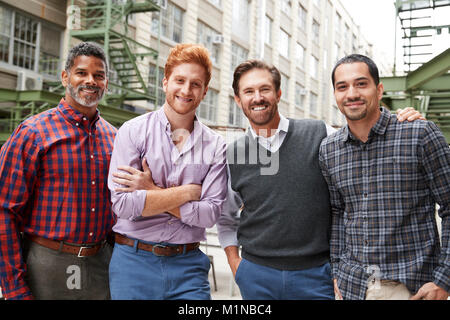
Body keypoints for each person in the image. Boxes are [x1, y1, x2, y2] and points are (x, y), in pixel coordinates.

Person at [216, 59, 425, 300]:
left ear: (278, 93)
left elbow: (363, 142)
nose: (257, 97)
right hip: (256, 275)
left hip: (316, 275)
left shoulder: (319, 133)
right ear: (238, 99)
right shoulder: (234, 154)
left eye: (265, 89)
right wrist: (236, 264)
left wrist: (400, 122)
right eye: (248, 91)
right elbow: (226, 217)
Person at [319, 54, 449, 300]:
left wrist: (444, 279)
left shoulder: (419, 134)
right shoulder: (329, 149)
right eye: (342, 87)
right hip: (353, 286)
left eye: (361, 84)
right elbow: (338, 212)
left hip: (411, 287)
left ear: (379, 90)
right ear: (335, 94)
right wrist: (336, 269)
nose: (352, 94)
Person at [107, 43, 228, 300]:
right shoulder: (132, 131)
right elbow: (124, 205)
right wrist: (188, 192)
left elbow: (209, 215)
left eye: (195, 84)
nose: (186, 90)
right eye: (179, 80)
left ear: (205, 91)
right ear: (165, 83)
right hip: (133, 264)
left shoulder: (216, 145)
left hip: (189, 268)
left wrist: (151, 192)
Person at [0, 42, 116, 300]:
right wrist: (14, 287)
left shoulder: (114, 139)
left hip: (101, 265)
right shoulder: (32, 133)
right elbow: (4, 211)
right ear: (65, 77)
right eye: (82, 73)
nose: (91, 81)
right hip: (45, 264)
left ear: (106, 82)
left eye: (99, 75)